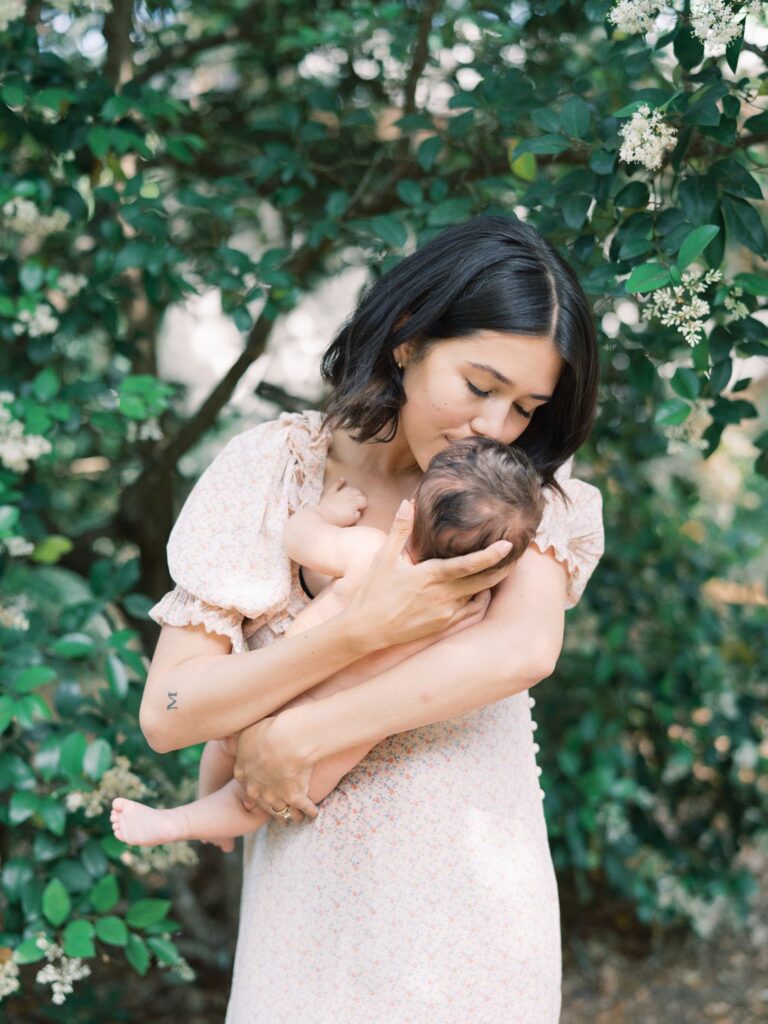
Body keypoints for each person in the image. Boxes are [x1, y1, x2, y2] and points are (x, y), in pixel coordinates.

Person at [140, 213, 605, 1023]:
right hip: (307, 903)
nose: (496, 428)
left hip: (476, 907)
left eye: (527, 406)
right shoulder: (270, 473)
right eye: (480, 386)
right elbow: (170, 714)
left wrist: (303, 735)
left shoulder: (521, 497)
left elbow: (521, 650)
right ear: (405, 338)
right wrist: (362, 629)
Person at [111, 439, 544, 851]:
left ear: (412, 509)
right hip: (331, 742)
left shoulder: (371, 553)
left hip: (271, 691)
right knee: (250, 805)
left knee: (222, 749)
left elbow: (298, 539)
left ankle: (191, 814)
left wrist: (327, 512)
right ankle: (193, 824)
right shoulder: (469, 613)